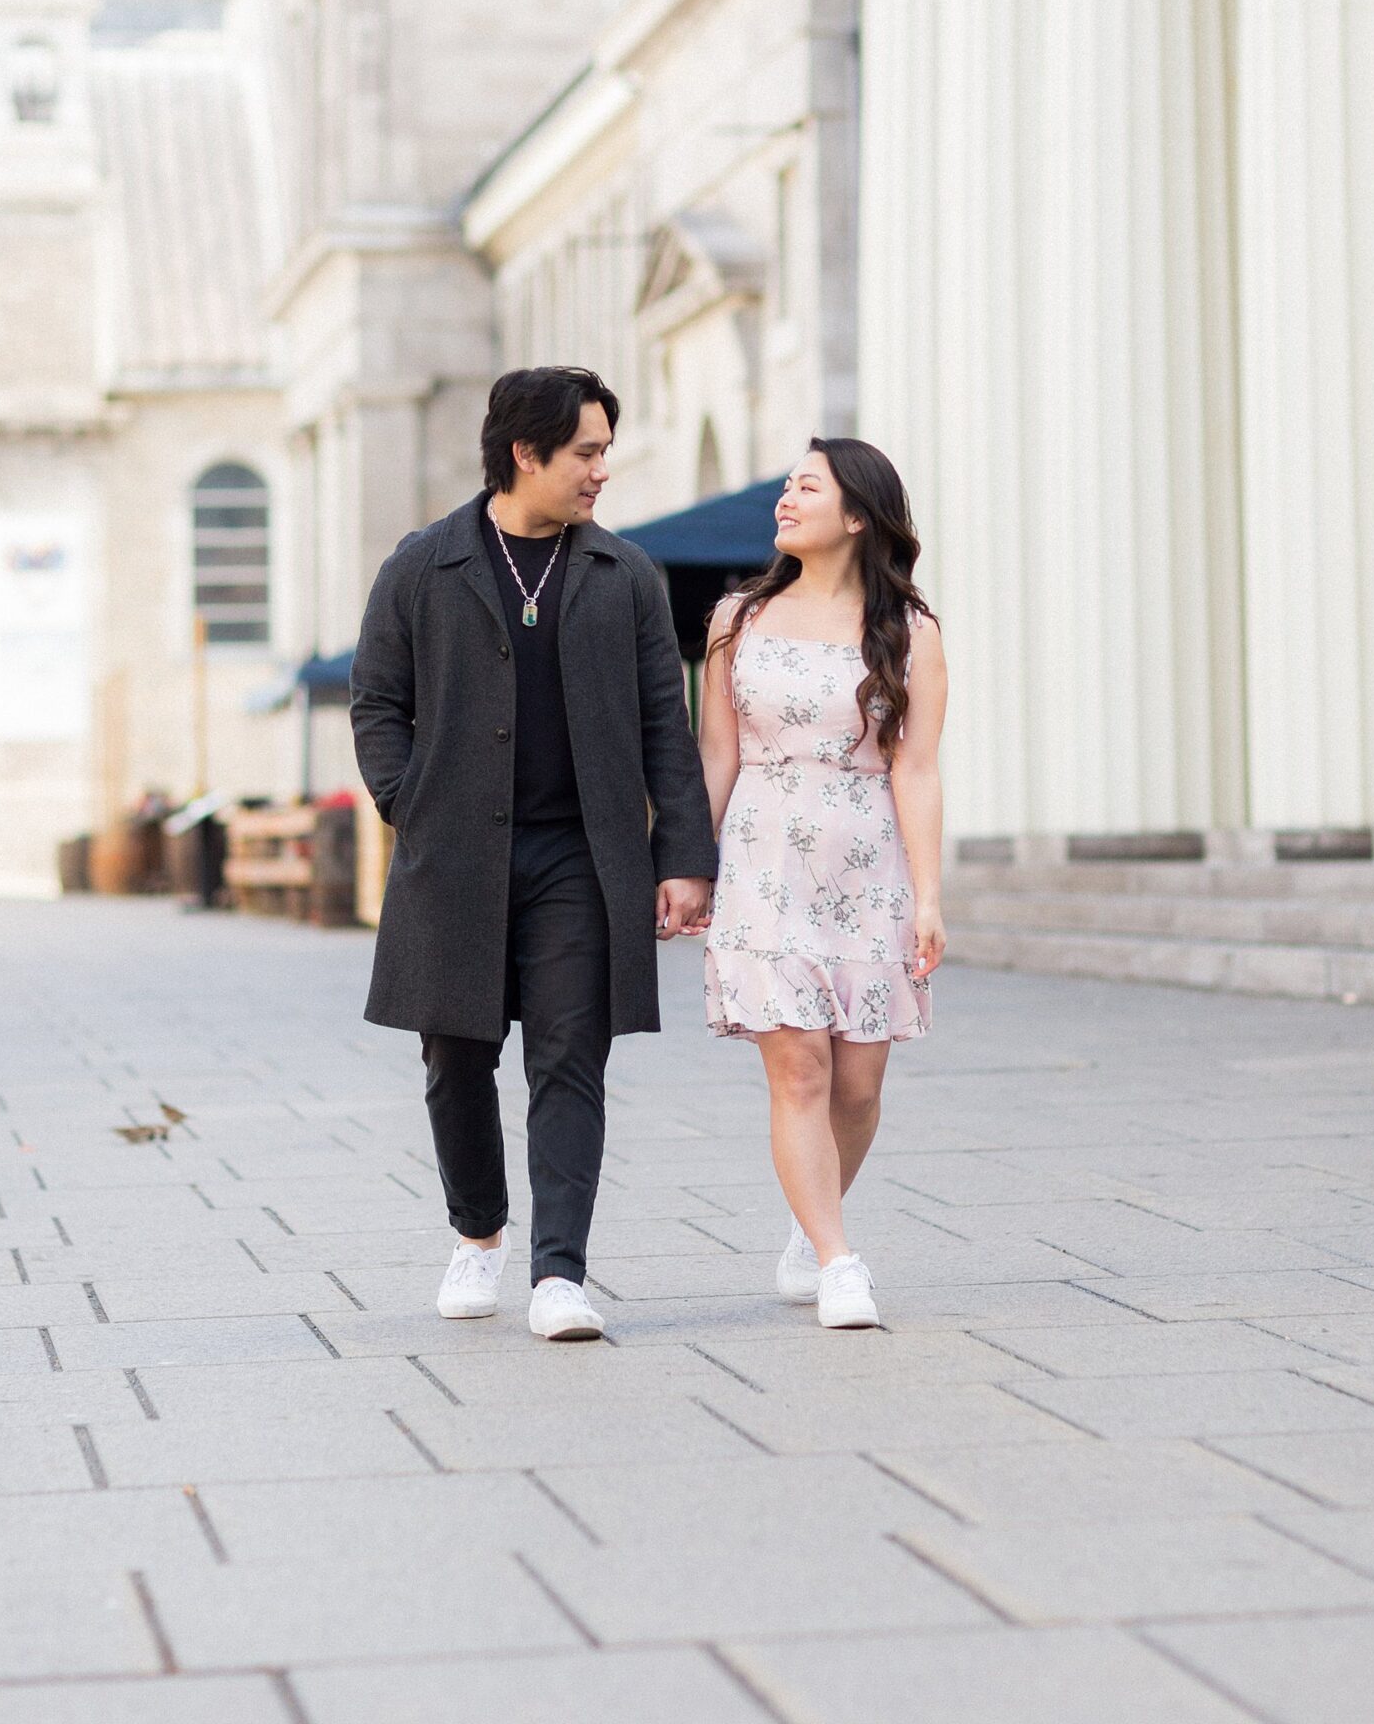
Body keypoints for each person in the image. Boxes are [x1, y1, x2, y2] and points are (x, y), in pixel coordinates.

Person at [351, 365, 716, 1341]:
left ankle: (561, 1273)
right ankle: (479, 1235)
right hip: (455, 857)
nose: (603, 469)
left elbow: (662, 724)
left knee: (570, 1056)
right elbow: (377, 701)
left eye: (605, 450)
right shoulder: (422, 566)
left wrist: (685, 856)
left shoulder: (624, 575)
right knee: (454, 1057)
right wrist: (406, 802)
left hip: (581, 861)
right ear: (525, 452)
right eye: (587, 451)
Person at [699, 438, 946, 1329]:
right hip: (764, 862)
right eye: (786, 484)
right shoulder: (738, 618)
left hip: (868, 865)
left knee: (857, 1086)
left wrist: (926, 895)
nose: (785, 498)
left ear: (855, 516)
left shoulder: (910, 631)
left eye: (807, 485)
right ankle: (840, 1260)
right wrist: (688, 865)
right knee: (798, 1068)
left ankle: (812, 1227)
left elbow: (915, 771)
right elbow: (716, 756)